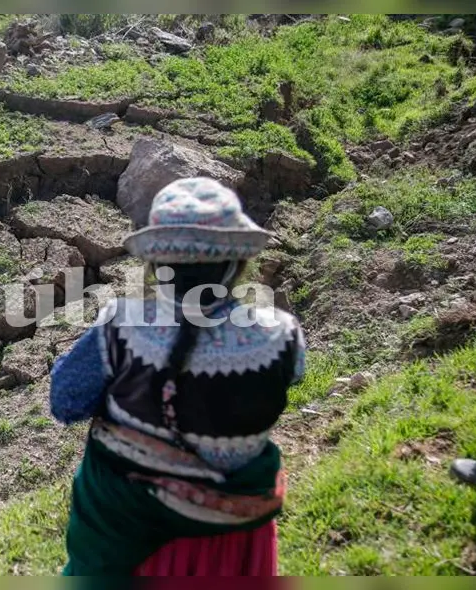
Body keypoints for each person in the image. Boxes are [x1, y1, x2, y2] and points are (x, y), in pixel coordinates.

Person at [49, 177, 306, 576]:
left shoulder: (121, 326)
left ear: (156, 265)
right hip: (233, 531)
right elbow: (286, 380)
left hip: (127, 530)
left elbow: (65, 403)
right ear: (238, 263)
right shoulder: (282, 333)